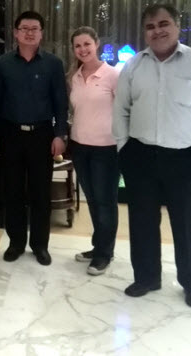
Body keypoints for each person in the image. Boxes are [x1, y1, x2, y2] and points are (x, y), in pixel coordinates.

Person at [113, 4, 191, 309]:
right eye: (150, 26)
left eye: (164, 24)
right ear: (144, 32)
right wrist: (124, 147)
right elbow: (121, 109)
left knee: (187, 224)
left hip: (186, 159)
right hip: (140, 156)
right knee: (142, 222)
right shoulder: (133, 66)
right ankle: (147, 277)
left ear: (177, 26)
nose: (157, 31)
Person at [0, 10, 68, 266]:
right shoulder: (3, 63)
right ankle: (16, 242)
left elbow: (61, 102)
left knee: (40, 193)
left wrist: (60, 134)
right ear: (16, 32)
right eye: (25, 28)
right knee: (12, 192)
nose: (30, 33)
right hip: (10, 134)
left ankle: (40, 245)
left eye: (35, 29)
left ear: (41, 33)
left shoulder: (53, 64)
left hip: (42, 135)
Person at [66, 26, 120, 276]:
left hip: (106, 149)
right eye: (78, 46)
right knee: (93, 201)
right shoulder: (74, 77)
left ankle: (104, 254)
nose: (83, 49)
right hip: (80, 147)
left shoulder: (113, 75)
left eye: (87, 44)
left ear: (96, 44)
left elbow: (125, 110)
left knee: (105, 202)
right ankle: (99, 246)